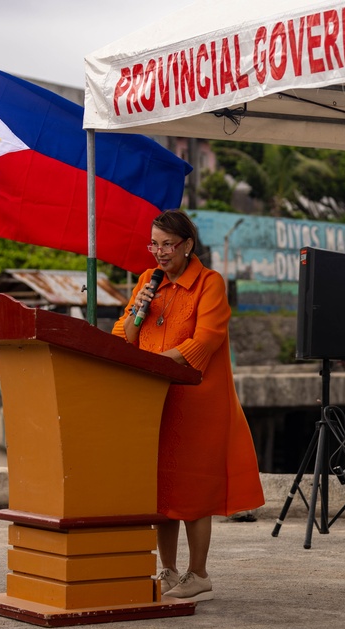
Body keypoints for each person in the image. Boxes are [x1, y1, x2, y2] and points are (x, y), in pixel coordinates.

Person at [113, 209, 264, 602]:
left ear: (187, 245)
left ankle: (199, 573)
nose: (159, 253)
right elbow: (123, 335)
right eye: (154, 244)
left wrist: (158, 363)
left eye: (167, 245)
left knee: (193, 491)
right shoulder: (148, 281)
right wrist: (140, 308)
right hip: (154, 397)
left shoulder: (210, 283)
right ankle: (169, 570)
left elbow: (206, 340)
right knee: (161, 489)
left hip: (197, 400)